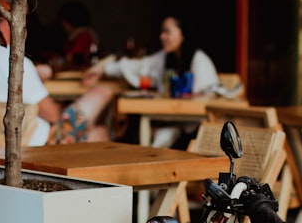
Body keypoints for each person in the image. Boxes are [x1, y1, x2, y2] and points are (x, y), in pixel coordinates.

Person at [0, 17, 113, 145]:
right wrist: (63, 106)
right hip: (38, 138)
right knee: (103, 99)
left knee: (96, 130)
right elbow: (52, 115)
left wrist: (34, 77)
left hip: (5, 131)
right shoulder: (16, 63)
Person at [85, 15, 220, 148]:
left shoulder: (200, 61)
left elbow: (208, 100)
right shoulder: (165, 58)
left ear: (183, 33)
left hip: (192, 129)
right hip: (166, 120)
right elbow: (140, 66)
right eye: (162, 32)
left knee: (161, 136)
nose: (162, 37)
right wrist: (103, 69)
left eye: (167, 32)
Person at [58, 0, 99, 70]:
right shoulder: (75, 35)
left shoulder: (84, 35)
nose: (62, 25)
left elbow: (71, 57)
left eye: (63, 21)